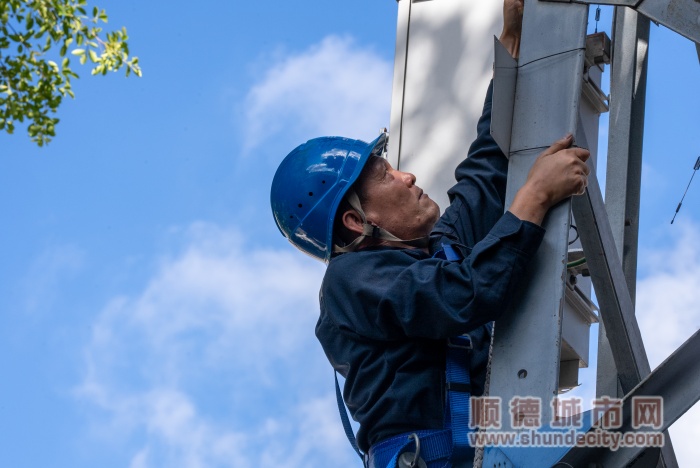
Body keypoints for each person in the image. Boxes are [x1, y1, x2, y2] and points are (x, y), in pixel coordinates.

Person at [270, 1, 590, 466]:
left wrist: (514, 45)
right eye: (384, 176)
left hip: (480, 453)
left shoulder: (438, 251)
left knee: (612, 434)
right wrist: (534, 198)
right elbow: (462, 295)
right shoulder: (351, 284)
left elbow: (484, 172)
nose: (407, 176)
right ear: (356, 222)